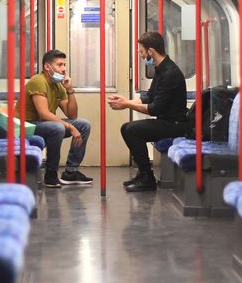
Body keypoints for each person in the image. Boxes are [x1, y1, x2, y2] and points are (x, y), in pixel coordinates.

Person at [108, 32, 188, 192]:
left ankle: (147, 178)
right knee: (126, 128)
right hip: (166, 121)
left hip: (176, 124)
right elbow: (149, 96)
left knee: (132, 130)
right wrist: (125, 101)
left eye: (141, 51)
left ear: (151, 51)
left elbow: (155, 108)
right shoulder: (160, 69)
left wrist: (126, 105)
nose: (141, 54)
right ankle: (143, 173)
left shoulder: (170, 73)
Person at [19, 49, 93, 188]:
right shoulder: (38, 81)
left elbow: (72, 115)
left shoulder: (58, 85)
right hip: (27, 124)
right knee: (58, 127)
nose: (64, 69)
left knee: (83, 124)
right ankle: (51, 174)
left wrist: (70, 90)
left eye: (64, 65)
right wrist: (70, 127)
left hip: (43, 124)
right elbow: (44, 114)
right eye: (59, 65)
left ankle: (71, 172)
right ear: (47, 67)